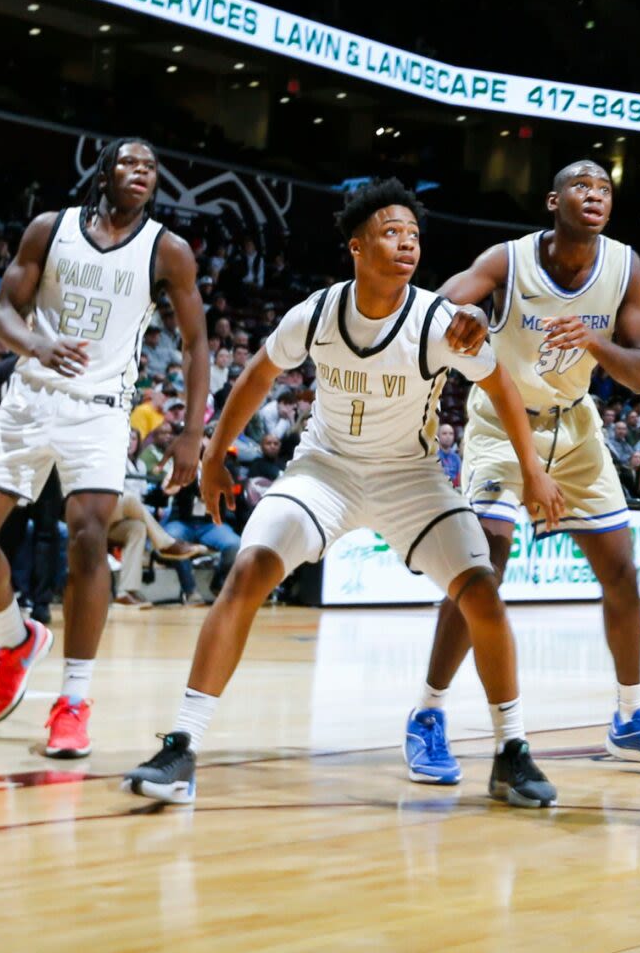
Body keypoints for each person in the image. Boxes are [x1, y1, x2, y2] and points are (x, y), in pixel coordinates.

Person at [120, 181, 556, 810]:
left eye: (413, 234)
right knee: (248, 569)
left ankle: (511, 752)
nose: (406, 242)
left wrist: (533, 471)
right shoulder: (319, 312)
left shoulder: (439, 321)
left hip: (412, 478)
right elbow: (259, 373)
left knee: (481, 590)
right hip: (324, 471)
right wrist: (214, 453)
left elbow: (502, 384)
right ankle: (183, 743)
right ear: (356, 246)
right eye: (390, 232)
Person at [419, 162, 640, 778]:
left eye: (604, 189)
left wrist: (593, 343)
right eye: (582, 186)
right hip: (500, 421)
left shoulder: (626, 266)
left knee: (623, 572)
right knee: (482, 565)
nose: (595, 195)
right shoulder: (509, 259)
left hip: (574, 428)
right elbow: (441, 304)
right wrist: (458, 322)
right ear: (554, 200)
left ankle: (631, 715)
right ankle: (429, 713)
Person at [0, 139, 208, 761]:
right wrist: (34, 346)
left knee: (90, 535)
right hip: (30, 400)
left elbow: (196, 344)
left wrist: (192, 433)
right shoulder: (50, 229)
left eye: (151, 166)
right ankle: (14, 641)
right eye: (130, 163)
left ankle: (73, 701)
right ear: (103, 171)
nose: (142, 172)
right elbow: (4, 311)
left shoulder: (167, 249)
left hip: (101, 410)